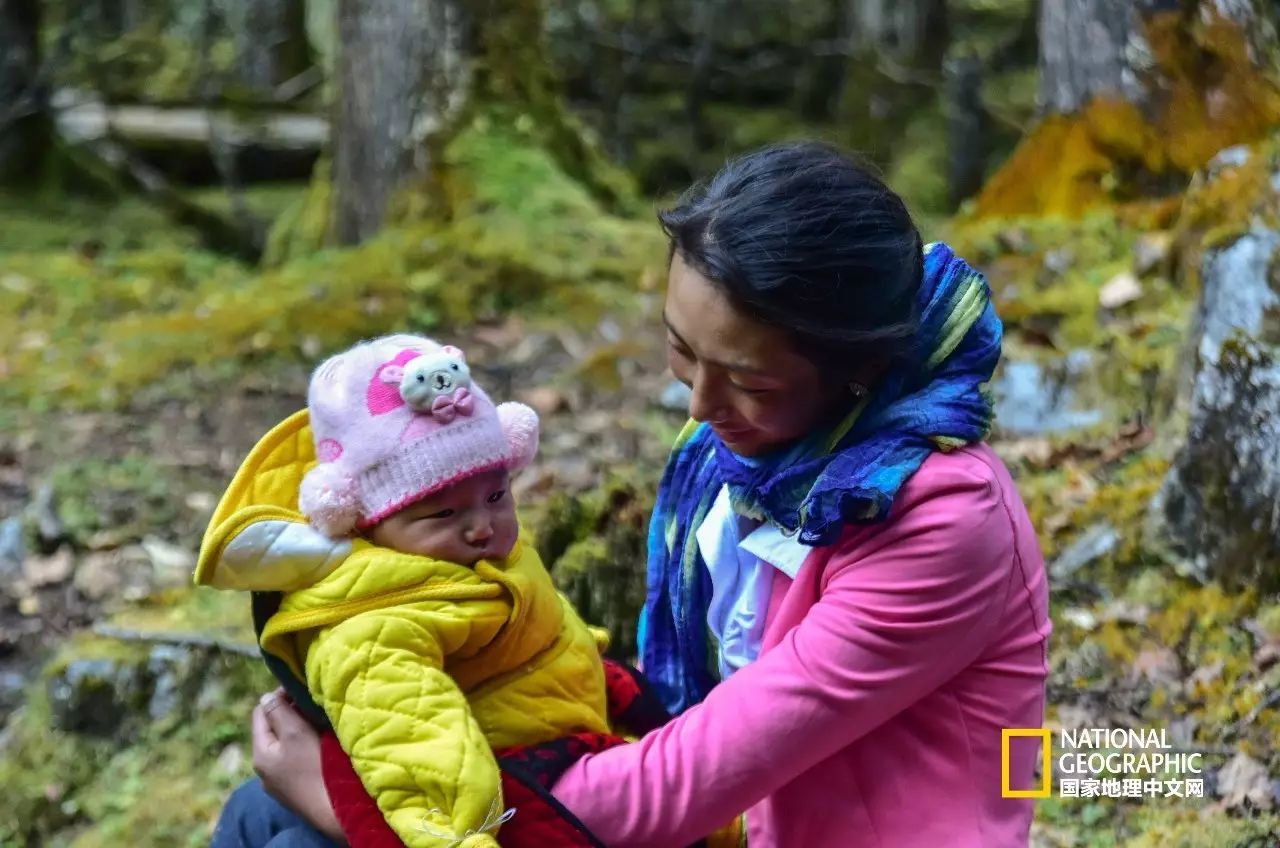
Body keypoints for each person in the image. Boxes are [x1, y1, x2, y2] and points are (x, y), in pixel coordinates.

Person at [224, 140, 1052, 847]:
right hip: (731, 815)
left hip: (745, 820)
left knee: (298, 830)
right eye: (681, 350)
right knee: (262, 810)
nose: (698, 407)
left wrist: (361, 804)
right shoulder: (754, 457)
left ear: (862, 370)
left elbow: (685, 780)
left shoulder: (941, 520)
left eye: (746, 381)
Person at [198, 334, 614, 848]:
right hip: (493, 796)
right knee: (265, 824)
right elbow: (433, 779)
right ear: (367, 523)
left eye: (497, 494)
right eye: (443, 512)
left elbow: (544, 626)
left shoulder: (468, 559)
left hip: (549, 747)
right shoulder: (375, 630)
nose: (481, 526)